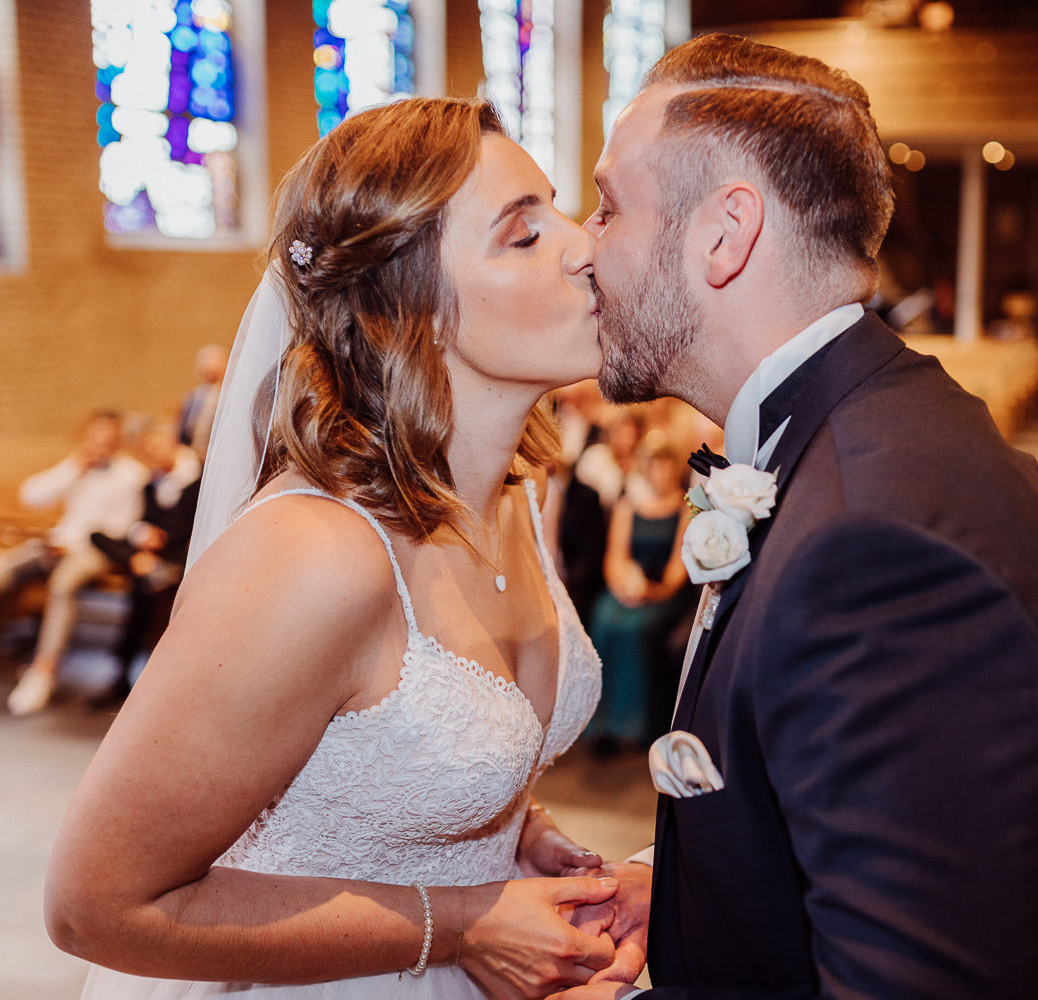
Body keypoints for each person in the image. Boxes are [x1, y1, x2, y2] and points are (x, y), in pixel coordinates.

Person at [562, 32, 1038, 999]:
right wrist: (682, 893)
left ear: (725, 233)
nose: (581, 245)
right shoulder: (870, 429)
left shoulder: (877, 549)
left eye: (606, 207)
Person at [45, 98, 638, 999]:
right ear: (408, 312)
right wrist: (465, 917)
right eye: (523, 236)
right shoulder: (313, 555)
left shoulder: (521, 492)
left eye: (557, 209)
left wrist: (509, 825)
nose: (583, 245)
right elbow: (93, 906)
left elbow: (367, 749)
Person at [0, 410, 147, 716]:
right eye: (95, 436)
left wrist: (72, 545)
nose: (101, 443)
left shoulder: (131, 474)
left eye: (108, 437)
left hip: (94, 548)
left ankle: (42, 672)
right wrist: (75, 469)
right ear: (86, 436)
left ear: (118, 439)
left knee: (62, 587)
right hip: (56, 542)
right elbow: (31, 496)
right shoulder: (75, 464)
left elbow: (123, 525)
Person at [585, 436, 691, 752]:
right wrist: (624, 588)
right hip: (626, 589)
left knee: (636, 629)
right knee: (604, 619)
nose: (660, 472)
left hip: (663, 592)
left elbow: (679, 565)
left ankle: (634, 723)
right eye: (655, 465)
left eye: (666, 465)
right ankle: (602, 723)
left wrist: (653, 591)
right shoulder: (628, 505)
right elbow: (614, 557)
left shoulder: (686, 506)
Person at [88, 421, 202, 703]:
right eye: (146, 453)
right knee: (101, 539)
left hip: (185, 561)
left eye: (156, 448)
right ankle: (125, 675)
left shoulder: (197, 482)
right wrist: (141, 536)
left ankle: (152, 681)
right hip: (151, 561)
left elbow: (190, 530)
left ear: (173, 442)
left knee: (152, 593)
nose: (151, 457)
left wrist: (158, 541)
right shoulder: (150, 484)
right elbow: (137, 521)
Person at [178, 343, 230, 458]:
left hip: (222, 454)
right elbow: (182, 432)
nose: (206, 365)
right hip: (194, 456)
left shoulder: (231, 396)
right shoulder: (192, 398)